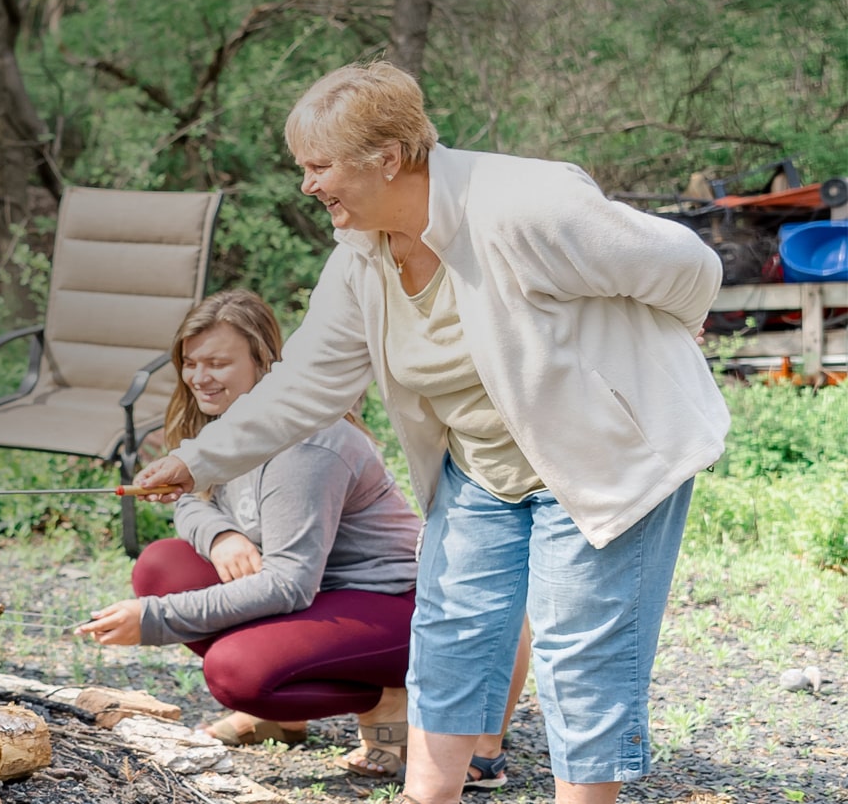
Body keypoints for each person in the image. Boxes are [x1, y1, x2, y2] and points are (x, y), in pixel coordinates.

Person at [134, 62, 723, 804]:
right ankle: (427, 796)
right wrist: (197, 459)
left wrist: (664, 339)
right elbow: (307, 383)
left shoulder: (525, 204)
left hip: (603, 456)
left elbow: (688, 265)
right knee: (449, 630)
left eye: (319, 167)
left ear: (387, 158)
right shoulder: (361, 254)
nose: (308, 186)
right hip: (480, 464)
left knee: (579, 648)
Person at [74, 290, 429, 778]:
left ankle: (389, 697)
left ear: (264, 363)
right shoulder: (225, 425)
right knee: (163, 565)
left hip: (392, 606)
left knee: (236, 670)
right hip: (317, 598)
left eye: (218, 362)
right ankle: (283, 718)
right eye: (190, 362)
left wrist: (155, 619)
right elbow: (189, 502)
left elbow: (288, 584)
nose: (199, 377)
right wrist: (221, 534)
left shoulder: (305, 447)